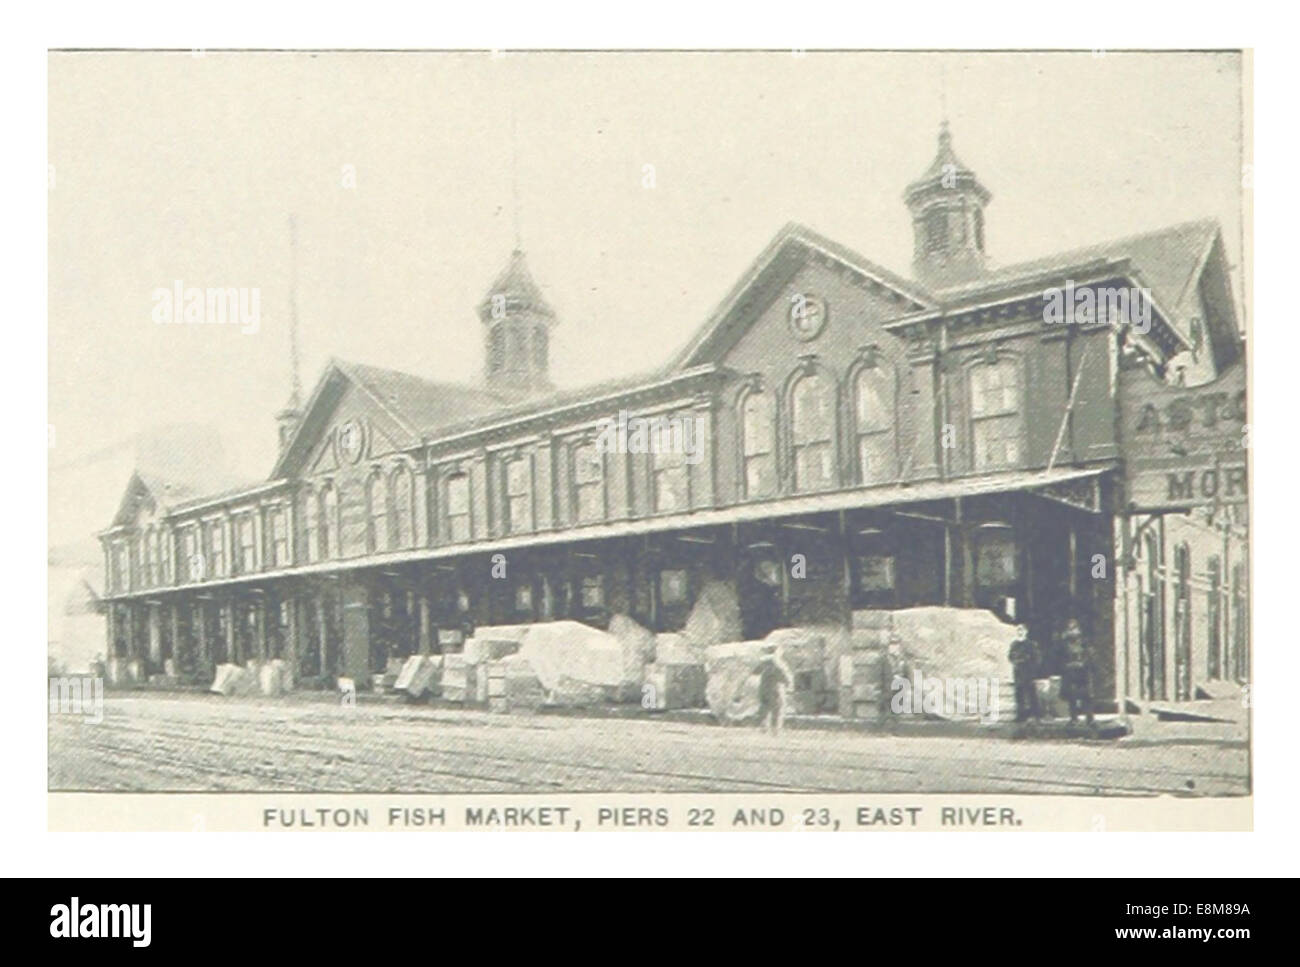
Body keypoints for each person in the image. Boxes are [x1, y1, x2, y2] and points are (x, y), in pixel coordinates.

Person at [1060, 618, 1095, 726]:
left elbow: (1090, 654)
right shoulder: (1065, 644)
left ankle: (1089, 718)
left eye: (1074, 629)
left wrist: (1084, 664)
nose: (1073, 632)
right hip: (1070, 671)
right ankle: (1073, 718)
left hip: (1082, 672)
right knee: (1072, 696)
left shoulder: (1084, 642)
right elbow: (1061, 657)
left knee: (1086, 696)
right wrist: (1066, 665)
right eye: (1070, 629)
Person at [755, 645, 793, 735]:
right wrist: (789, 684)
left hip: (763, 689)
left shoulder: (763, 662)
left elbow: (756, 672)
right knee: (778, 709)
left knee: (764, 709)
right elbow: (784, 675)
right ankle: (776, 729)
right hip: (775, 690)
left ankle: (763, 728)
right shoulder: (777, 663)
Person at [1007, 624, 1042, 722]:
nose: (1020, 632)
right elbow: (1010, 656)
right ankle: (1021, 715)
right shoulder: (1014, 644)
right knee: (1019, 694)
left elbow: (1036, 658)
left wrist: (1031, 668)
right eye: (1018, 630)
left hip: (1028, 672)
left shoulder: (1030, 644)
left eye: (1022, 630)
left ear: (1026, 632)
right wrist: (1015, 661)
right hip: (1018, 672)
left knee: (1031, 694)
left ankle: (1036, 714)